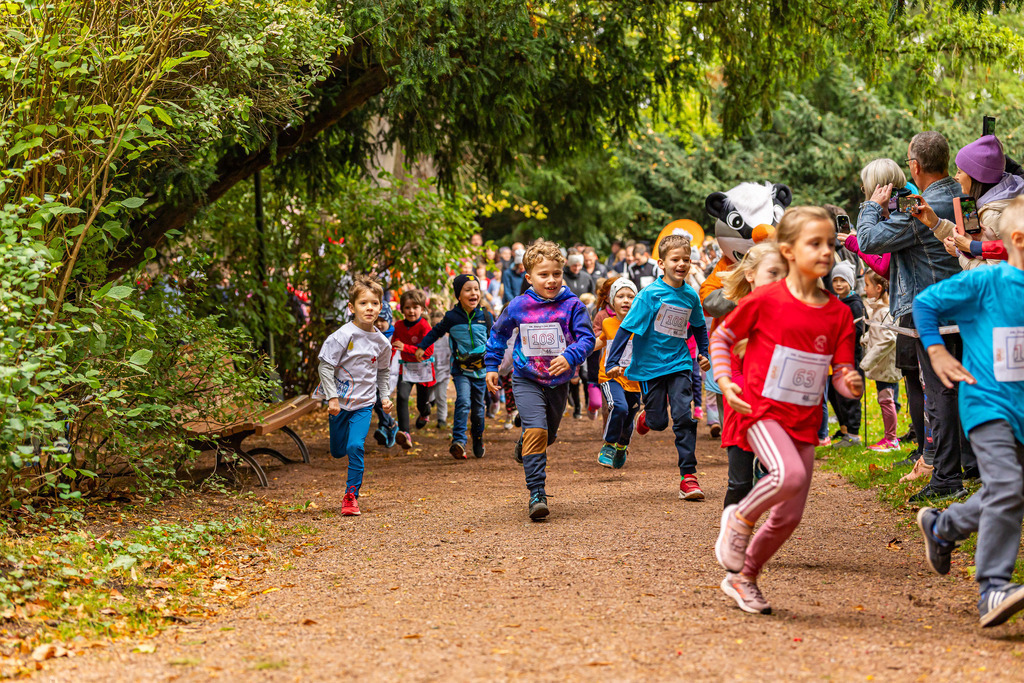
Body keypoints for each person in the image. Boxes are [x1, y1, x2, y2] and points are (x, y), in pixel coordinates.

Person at [712, 206, 863, 615]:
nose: (826, 251)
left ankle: (744, 577)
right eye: (815, 243)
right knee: (788, 475)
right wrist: (725, 381)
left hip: (805, 423)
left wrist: (848, 382)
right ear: (789, 251)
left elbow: (840, 369)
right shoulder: (765, 299)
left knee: (788, 516)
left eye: (830, 243)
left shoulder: (839, 313)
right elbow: (722, 339)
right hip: (761, 411)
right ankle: (739, 519)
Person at [913, 196, 1024, 627]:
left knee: (1008, 490)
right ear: (1019, 240)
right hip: (988, 405)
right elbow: (926, 304)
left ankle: (942, 528)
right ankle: (993, 587)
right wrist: (936, 350)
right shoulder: (987, 283)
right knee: (1008, 487)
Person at [857, 134, 976, 502]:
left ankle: (946, 479)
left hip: (934, 309)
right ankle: (971, 465)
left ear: (915, 166)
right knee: (965, 386)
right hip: (967, 305)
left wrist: (872, 206)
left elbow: (868, 240)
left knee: (939, 392)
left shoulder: (922, 206)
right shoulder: (962, 195)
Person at [484, 241, 595, 520]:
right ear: (529, 277)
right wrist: (492, 365)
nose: (551, 280)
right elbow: (498, 334)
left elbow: (587, 339)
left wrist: (570, 356)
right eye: (543, 274)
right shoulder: (518, 305)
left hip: (558, 381)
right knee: (537, 431)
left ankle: (526, 442)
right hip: (526, 378)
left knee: (549, 435)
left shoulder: (573, 305)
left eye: (556, 273)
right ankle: (537, 493)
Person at [605, 234, 710, 500]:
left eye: (686, 259)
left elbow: (699, 326)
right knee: (659, 422)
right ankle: (647, 418)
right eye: (675, 259)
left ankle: (688, 477)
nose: (681, 264)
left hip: (679, 363)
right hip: (650, 367)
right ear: (661, 264)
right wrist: (613, 362)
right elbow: (626, 328)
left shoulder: (691, 296)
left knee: (683, 416)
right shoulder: (649, 296)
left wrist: (704, 353)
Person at [717, 243, 788, 507]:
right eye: (773, 273)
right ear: (750, 275)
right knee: (739, 484)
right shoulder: (739, 316)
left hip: (777, 410)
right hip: (743, 410)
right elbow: (730, 368)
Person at [317, 276, 394, 517]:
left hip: (364, 404)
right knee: (338, 451)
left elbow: (383, 371)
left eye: (374, 303)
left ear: (380, 307)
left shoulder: (382, 343)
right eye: (363, 303)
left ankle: (351, 496)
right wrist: (332, 398)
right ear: (352, 307)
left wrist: (384, 396)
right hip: (339, 404)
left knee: (355, 446)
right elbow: (325, 366)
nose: (369, 308)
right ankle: (340, 443)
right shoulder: (343, 336)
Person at [416, 274, 493, 459]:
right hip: (461, 370)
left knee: (478, 410)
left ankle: (478, 438)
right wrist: (422, 347)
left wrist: (495, 366)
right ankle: (458, 441)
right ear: (459, 295)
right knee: (463, 401)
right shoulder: (452, 317)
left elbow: (495, 340)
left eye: (476, 289)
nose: (473, 293)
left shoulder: (486, 316)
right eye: (468, 290)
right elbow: (436, 331)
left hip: (481, 371)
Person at [938, 135, 1024, 269]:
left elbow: (993, 273)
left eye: (960, 172)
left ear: (976, 176)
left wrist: (960, 253)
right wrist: (935, 223)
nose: (956, 177)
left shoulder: (992, 215)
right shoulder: (1012, 188)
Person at [593, 277, 641, 468]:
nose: (626, 300)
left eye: (630, 296)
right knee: (619, 407)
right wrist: (577, 351)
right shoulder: (607, 323)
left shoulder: (642, 325)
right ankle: (609, 444)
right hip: (610, 376)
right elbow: (600, 342)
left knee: (629, 418)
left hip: (634, 380)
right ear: (612, 301)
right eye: (620, 296)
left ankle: (622, 446)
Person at [861, 270, 901, 452]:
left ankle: (891, 440)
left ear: (878, 288)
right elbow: (878, 333)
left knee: (886, 400)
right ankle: (889, 437)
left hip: (885, 365)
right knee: (884, 399)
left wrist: (867, 361)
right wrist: (866, 338)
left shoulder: (885, 311)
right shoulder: (879, 310)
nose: (864, 289)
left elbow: (889, 339)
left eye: (867, 285)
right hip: (881, 365)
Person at [390, 289, 435, 449]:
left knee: (421, 404)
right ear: (402, 309)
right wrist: (387, 360)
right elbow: (394, 345)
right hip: (407, 369)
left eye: (415, 307)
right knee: (402, 397)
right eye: (407, 307)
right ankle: (405, 433)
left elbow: (428, 351)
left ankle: (425, 412)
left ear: (422, 309)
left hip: (423, 370)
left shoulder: (424, 326)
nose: (411, 311)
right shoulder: (398, 326)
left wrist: (406, 348)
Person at [828, 262, 865, 446]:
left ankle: (853, 434)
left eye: (843, 280)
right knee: (836, 393)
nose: (838, 284)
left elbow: (859, 330)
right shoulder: (836, 301)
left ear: (850, 282)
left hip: (851, 357)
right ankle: (844, 429)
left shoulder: (855, 304)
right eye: (835, 280)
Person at [371, 303, 400, 448]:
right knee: (375, 401)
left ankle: (389, 424)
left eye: (382, 320)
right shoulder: (371, 336)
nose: (379, 324)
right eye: (376, 320)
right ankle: (387, 426)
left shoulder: (394, 336)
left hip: (389, 375)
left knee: (378, 400)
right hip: (374, 375)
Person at [428, 309, 451, 430]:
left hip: (443, 373)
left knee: (441, 396)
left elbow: (451, 356)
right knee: (427, 397)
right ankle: (426, 412)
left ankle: (442, 419)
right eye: (434, 325)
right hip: (429, 374)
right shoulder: (428, 340)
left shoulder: (447, 341)